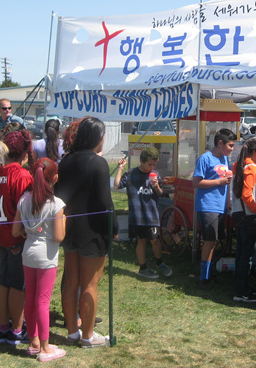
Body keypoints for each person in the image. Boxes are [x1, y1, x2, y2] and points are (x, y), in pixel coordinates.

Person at [56, 116, 117, 348]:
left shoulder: (66, 161)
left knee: (71, 281)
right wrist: (113, 228)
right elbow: (105, 202)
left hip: (70, 227)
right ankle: (88, 336)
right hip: (93, 230)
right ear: (97, 138)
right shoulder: (98, 163)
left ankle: (73, 331)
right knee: (90, 283)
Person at [12, 158, 67, 362]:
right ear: (55, 178)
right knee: (42, 301)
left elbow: (15, 230)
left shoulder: (24, 199)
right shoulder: (56, 204)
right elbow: (59, 237)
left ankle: (33, 341)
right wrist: (64, 221)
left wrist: (30, 232)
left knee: (31, 298)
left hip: (28, 253)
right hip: (46, 256)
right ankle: (45, 347)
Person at [0, 129, 34, 345]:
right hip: (16, 235)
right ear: (24, 152)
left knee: (4, 280)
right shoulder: (23, 175)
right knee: (18, 284)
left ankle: (2, 327)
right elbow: (26, 208)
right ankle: (17, 329)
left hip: (0, 232)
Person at [114, 146, 172, 279]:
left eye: (154, 164)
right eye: (149, 164)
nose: (151, 167)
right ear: (141, 161)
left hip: (152, 214)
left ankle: (159, 262)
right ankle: (143, 267)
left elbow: (161, 194)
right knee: (141, 240)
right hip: (138, 215)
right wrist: (120, 169)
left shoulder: (155, 174)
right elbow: (117, 185)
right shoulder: (131, 173)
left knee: (155, 240)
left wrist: (156, 186)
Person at [192, 128, 237, 289]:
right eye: (230, 145)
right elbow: (196, 182)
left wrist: (227, 201)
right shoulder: (205, 158)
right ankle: (204, 278)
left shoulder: (225, 159)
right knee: (209, 241)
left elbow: (227, 182)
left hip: (220, 206)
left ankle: (209, 273)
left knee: (214, 241)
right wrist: (219, 182)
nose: (232, 149)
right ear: (220, 143)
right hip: (207, 205)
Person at [230, 136, 256, 303]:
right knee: (246, 254)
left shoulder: (239, 165)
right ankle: (242, 291)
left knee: (241, 253)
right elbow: (247, 195)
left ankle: (240, 288)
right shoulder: (251, 167)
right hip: (247, 216)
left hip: (238, 213)